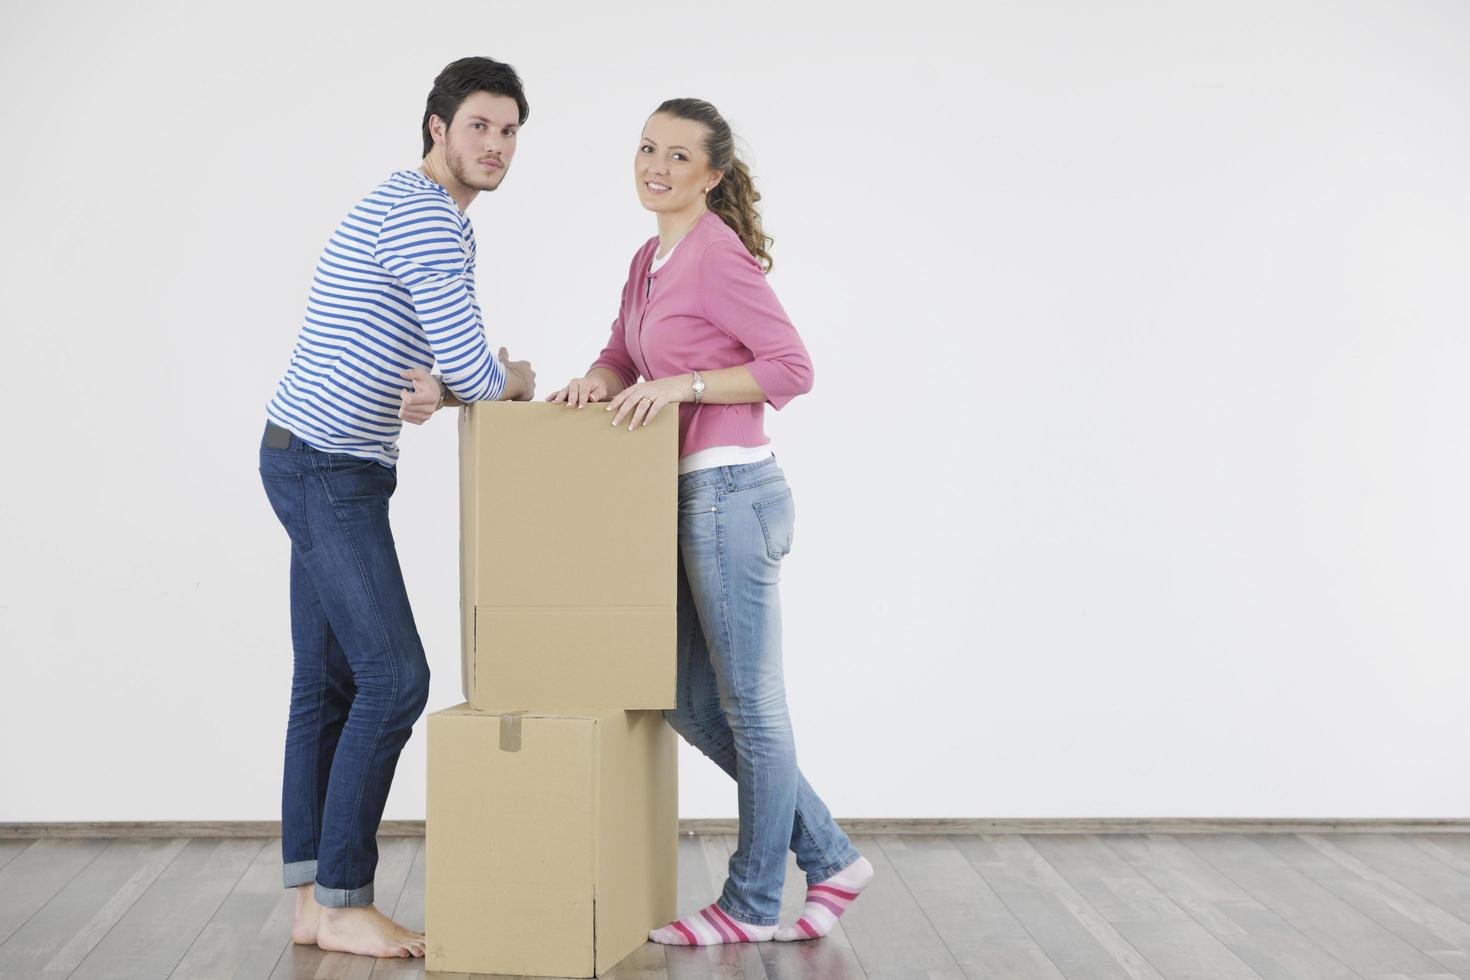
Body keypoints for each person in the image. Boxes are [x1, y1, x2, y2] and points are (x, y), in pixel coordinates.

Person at [547, 98, 873, 945]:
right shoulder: (648, 259)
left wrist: (684, 388)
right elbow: (625, 351)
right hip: (685, 497)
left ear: (713, 175)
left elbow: (791, 368)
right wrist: (597, 375)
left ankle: (753, 904)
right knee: (689, 702)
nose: (656, 166)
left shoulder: (718, 256)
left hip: (733, 494)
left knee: (754, 708)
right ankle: (831, 856)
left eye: (679, 156)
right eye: (647, 149)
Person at [258, 56, 535, 959]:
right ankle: (340, 899)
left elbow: (442, 373)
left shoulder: (424, 214)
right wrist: (507, 379)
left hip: (313, 457)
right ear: (436, 128)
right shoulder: (423, 220)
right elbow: (481, 371)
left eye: (508, 131)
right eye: (478, 127)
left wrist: (446, 390)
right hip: (327, 470)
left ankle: (312, 904)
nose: (494, 146)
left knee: (332, 683)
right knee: (396, 678)